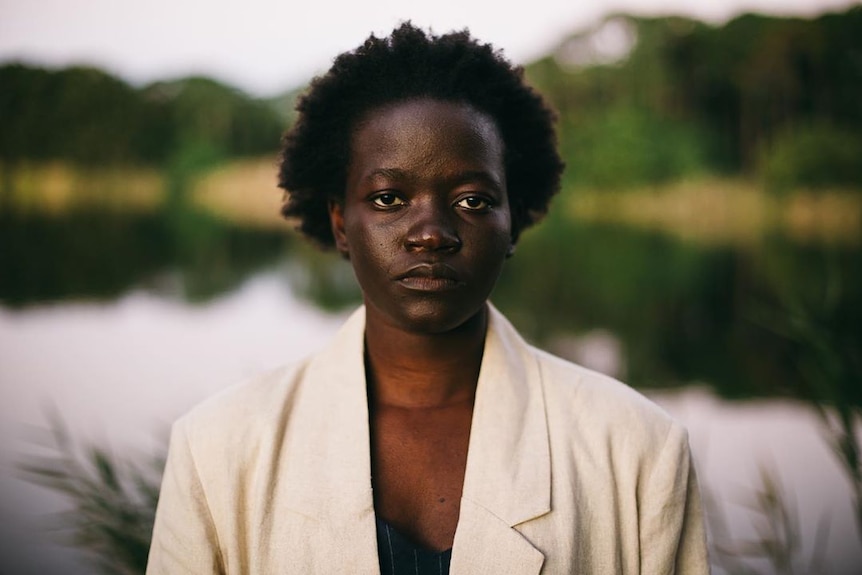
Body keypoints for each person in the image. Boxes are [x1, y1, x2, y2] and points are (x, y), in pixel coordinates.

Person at [146, 23, 709, 574]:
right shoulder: (217, 447)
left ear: (513, 224)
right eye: (390, 197)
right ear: (341, 223)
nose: (431, 233)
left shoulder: (638, 448)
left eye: (472, 201)